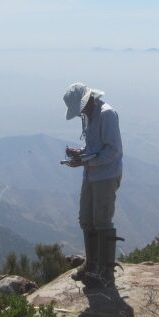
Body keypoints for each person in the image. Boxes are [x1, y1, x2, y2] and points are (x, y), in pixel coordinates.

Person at [62, 82, 123, 288]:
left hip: (105, 176)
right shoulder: (89, 114)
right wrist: (81, 153)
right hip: (91, 174)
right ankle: (91, 264)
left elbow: (113, 151)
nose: (80, 113)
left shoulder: (107, 114)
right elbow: (96, 148)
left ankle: (105, 272)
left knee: (102, 220)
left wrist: (86, 161)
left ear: (88, 99)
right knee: (86, 218)